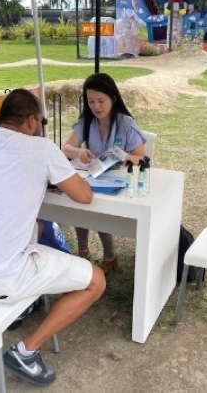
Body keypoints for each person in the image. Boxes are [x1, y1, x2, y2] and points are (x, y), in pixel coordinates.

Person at [0, 89, 105, 387]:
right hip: (0, 277)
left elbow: (2, 178)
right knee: (96, 281)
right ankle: (26, 351)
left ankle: (26, 304)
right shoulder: (42, 149)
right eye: (41, 121)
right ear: (32, 120)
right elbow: (84, 196)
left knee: (40, 228)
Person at [62, 74, 147, 275]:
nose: (96, 107)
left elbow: (141, 158)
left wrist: (123, 156)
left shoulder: (125, 123)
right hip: (93, 176)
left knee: (96, 209)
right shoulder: (87, 122)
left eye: (101, 101)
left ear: (113, 98)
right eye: (91, 101)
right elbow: (66, 148)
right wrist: (79, 152)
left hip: (118, 180)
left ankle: (110, 257)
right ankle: (83, 252)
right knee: (79, 203)